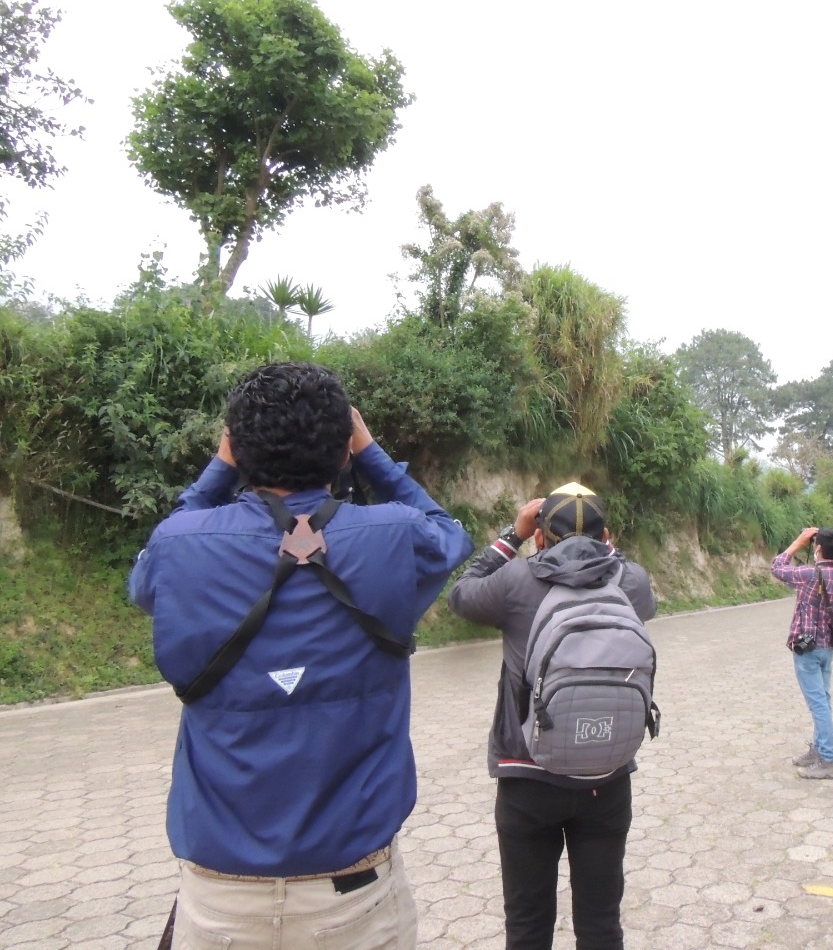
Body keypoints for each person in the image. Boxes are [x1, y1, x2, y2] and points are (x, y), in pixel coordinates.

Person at [129, 362, 473, 950]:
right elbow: (450, 533)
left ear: (235, 448)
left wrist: (219, 469)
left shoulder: (179, 545)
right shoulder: (395, 534)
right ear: (345, 449)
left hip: (217, 901)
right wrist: (371, 455)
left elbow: (147, 578)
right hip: (356, 898)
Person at [447, 482, 657, 950]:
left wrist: (512, 535)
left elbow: (461, 595)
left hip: (527, 778)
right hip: (607, 776)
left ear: (540, 536)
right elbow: (629, 576)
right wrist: (604, 544)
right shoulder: (631, 583)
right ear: (608, 537)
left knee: (527, 925)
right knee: (602, 924)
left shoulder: (517, 580)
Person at [771, 525, 833, 779]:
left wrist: (798, 542)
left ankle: (828, 760)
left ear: (817, 548)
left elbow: (777, 567)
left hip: (807, 648)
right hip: (827, 645)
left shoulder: (808, 574)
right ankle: (818, 750)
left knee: (818, 704)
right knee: (823, 700)